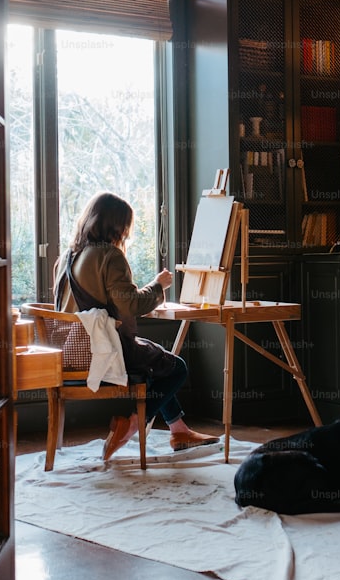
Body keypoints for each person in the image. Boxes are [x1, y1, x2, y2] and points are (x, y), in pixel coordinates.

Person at [54, 191, 219, 461]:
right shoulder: (109, 255)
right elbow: (130, 305)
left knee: (154, 362)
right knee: (176, 368)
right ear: (117, 225)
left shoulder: (66, 258)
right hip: (102, 354)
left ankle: (179, 430)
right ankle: (131, 425)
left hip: (68, 355)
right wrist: (158, 286)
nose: (127, 234)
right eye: (126, 227)